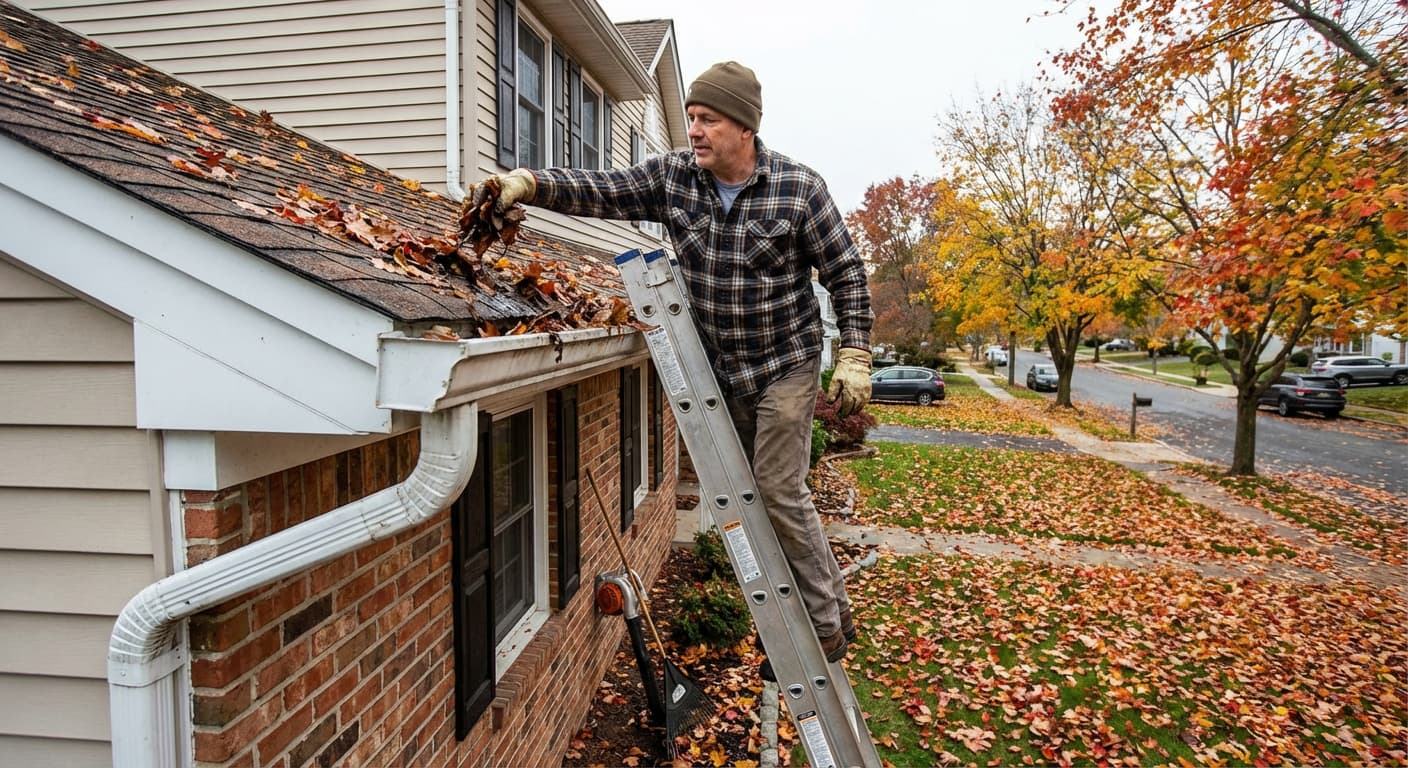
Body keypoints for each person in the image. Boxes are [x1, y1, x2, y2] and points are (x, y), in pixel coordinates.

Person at [475, 61, 873, 677]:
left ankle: (818, 631)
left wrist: (854, 352)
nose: (695, 130)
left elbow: (845, 271)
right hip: (725, 372)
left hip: (786, 365)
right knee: (753, 502)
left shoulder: (799, 190)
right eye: (690, 118)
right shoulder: (673, 179)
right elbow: (603, 190)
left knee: (777, 488)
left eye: (708, 119)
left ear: (744, 127)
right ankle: (829, 614)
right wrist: (529, 182)